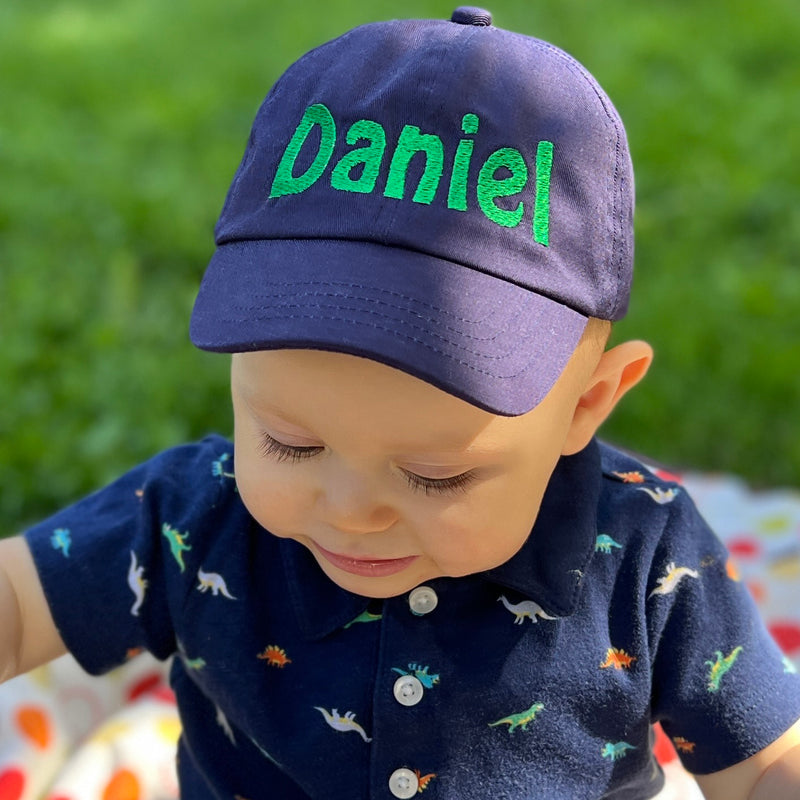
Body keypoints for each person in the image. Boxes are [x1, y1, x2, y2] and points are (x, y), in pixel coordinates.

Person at [1, 7, 799, 798]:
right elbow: (18, 603)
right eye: (289, 442)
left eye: (435, 474)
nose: (353, 512)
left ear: (587, 405)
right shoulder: (191, 522)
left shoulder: (648, 557)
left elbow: (765, 765)